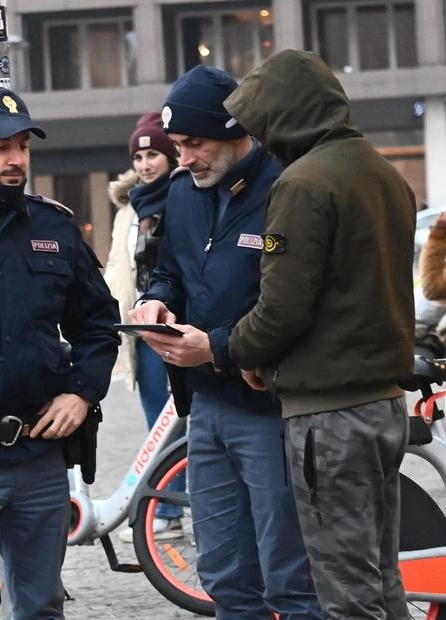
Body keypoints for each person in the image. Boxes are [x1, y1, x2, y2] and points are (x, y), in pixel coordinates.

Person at [225, 49, 416, 619]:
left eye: (261, 124)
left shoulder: (302, 184)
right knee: (381, 578)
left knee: (345, 590)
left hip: (328, 414)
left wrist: (236, 350)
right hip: (383, 404)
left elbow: (282, 308)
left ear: (283, 115)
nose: (259, 139)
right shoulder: (383, 173)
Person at [127, 65, 322, 619]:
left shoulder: (286, 188)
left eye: (195, 144)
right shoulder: (184, 194)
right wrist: (157, 299)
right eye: (178, 145)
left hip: (272, 408)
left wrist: (212, 344)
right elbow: (171, 270)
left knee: (291, 576)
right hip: (206, 408)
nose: (184, 158)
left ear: (238, 131)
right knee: (224, 575)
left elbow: (290, 306)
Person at [0, 85, 120, 620]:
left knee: (41, 608)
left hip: (39, 457)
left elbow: (98, 322)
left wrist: (81, 392)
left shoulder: (52, 224)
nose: (16, 159)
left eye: (24, 147)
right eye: (1, 146)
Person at [103, 111, 183, 541]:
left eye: (153, 153)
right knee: (158, 420)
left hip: (178, 322)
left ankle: (173, 506)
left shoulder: (184, 196)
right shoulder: (127, 209)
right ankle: (168, 506)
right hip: (141, 326)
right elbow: (121, 266)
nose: (146, 163)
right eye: (139, 156)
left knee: (184, 419)